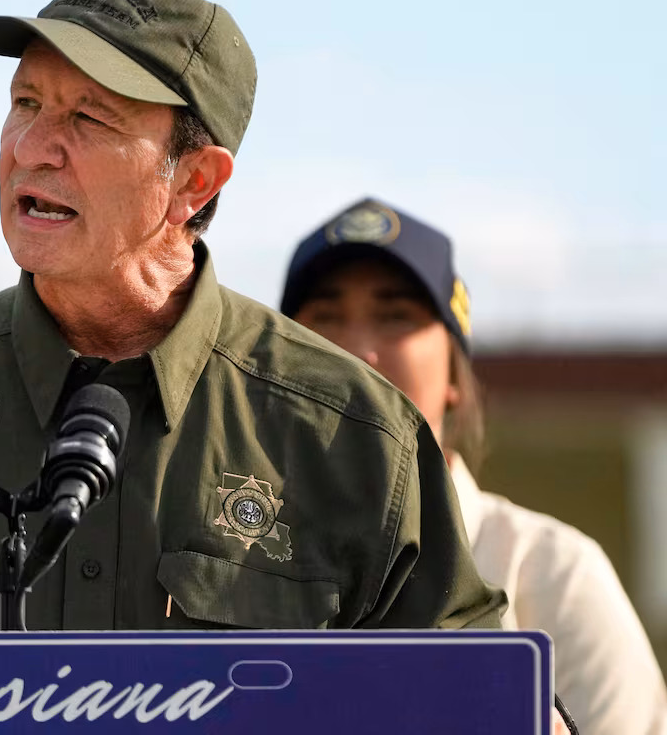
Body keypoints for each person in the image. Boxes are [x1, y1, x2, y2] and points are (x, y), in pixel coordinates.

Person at [0, 0, 503, 633]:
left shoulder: (354, 437)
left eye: (89, 119)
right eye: (25, 103)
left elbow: (475, 701)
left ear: (195, 181)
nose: (32, 149)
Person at [281, 196, 667, 735]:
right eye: (325, 318)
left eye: (396, 316)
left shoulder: (554, 572)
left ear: (455, 376)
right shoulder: (225, 558)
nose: (358, 352)